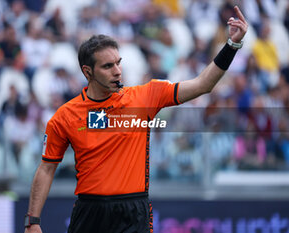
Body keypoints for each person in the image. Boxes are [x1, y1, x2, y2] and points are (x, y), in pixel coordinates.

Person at [24, 6, 248, 233]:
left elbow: (203, 84)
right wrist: (32, 222)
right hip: (90, 212)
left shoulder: (145, 97)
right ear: (87, 71)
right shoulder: (65, 116)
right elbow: (46, 169)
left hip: (133, 212)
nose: (118, 71)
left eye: (118, 63)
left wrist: (232, 45)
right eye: (107, 66)